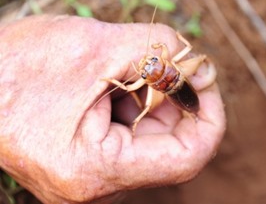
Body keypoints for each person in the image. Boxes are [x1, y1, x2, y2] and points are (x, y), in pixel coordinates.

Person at [0, 15, 226, 204]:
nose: (148, 65)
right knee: (151, 105)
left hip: (178, 89)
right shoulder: (165, 64)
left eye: (152, 66)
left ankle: (184, 112)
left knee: (148, 106)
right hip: (178, 87)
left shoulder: (157, 76)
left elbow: (169, 52)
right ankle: (187, 111)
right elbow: (178, 47)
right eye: (150, 68)